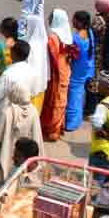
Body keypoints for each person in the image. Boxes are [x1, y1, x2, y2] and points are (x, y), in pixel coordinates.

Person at [0, 80, 44, 200]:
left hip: (5, 158)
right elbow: (36, 135)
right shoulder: (33, 111)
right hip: (24, 158)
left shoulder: (7, 112)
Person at [40, 9, 73, 141]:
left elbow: (50, 56)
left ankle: (52, 129)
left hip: (56, 73)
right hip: (65, 69)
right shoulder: (67, 35)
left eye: (51, 17)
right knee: (61, 99)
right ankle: (57, 127)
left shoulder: (53, 38)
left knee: (54, 100)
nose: (48, 20)